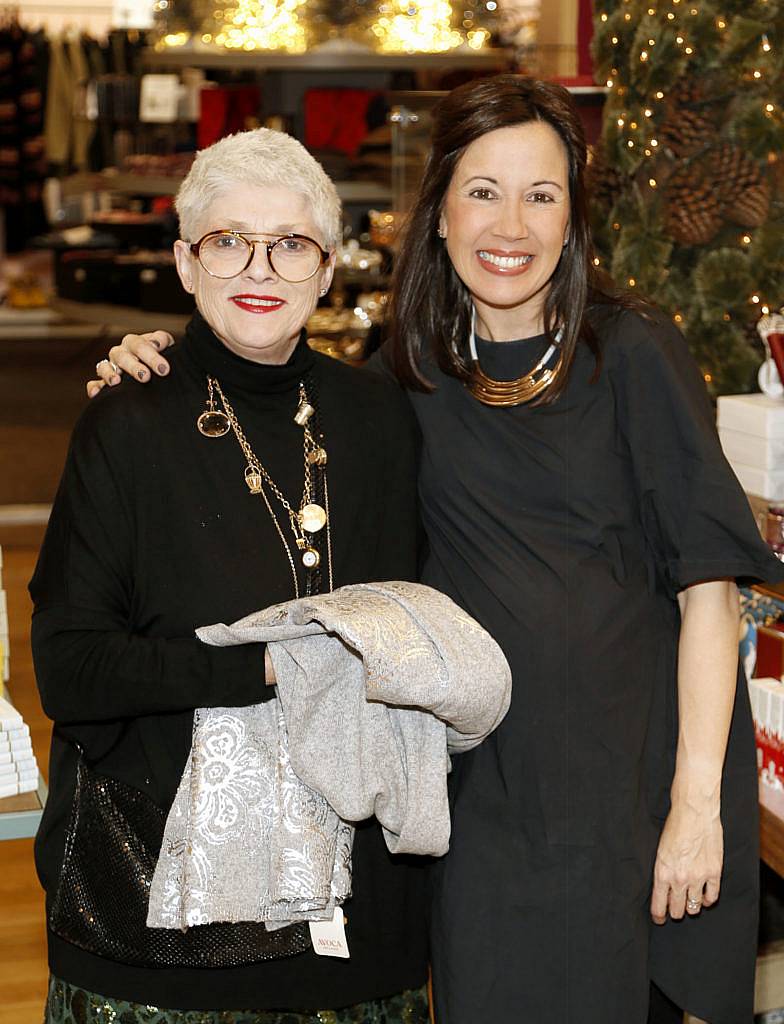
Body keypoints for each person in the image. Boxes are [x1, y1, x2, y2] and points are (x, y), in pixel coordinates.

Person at [86, 76, 782, 1024]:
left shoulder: (632, 353)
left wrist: (697, 805)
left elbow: (710, 586)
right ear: (442, 212)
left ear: (574, 219)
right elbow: (267, 392)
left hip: (630, 793)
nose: (513, 223)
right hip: (475, 805)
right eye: (484, 191)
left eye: (542, 195)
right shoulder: (400, 375)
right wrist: (155, 360)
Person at [31, 127, 431, 1024]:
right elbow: (71, 669)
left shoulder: (377, 418)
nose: (261, 267)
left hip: (357, 920)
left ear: (328, 268)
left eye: (291, 243)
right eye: (228, 241)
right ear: (185, 261)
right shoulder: (127, 420)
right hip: (169, 928)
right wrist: (269, 664)